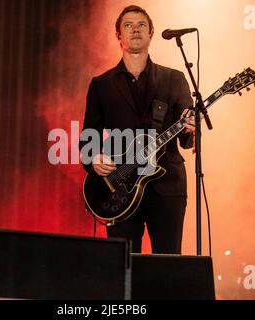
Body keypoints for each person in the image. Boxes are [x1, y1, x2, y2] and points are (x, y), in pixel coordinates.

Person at [79, 5, 195, 254]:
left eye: (141, 25)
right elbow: (89, 137)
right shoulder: (101, 85)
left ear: (151, 33)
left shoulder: (174, 78)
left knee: (168, 263)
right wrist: (93, 159)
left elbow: (188, 137)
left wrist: (189, 130)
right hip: (118, 187)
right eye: (128, 25)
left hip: (167, 186)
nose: (135, 30)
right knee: (124, 266)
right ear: (118, 35)